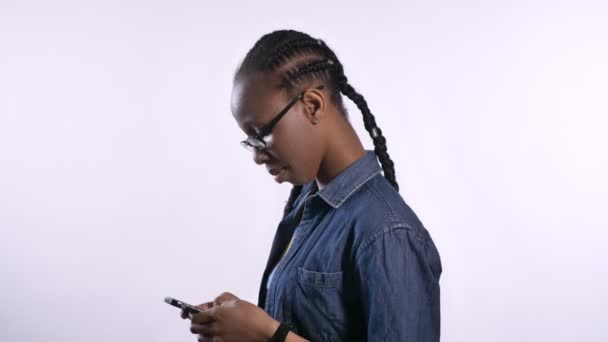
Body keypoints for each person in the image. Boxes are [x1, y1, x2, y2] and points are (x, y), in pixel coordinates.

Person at [179, 29, 442, 342]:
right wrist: (242, 323)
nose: (256, 156)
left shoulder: (388, 233)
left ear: (313, 105)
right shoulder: (308, 202)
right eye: (248, 140)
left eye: (261, 134)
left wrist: (267, 335)